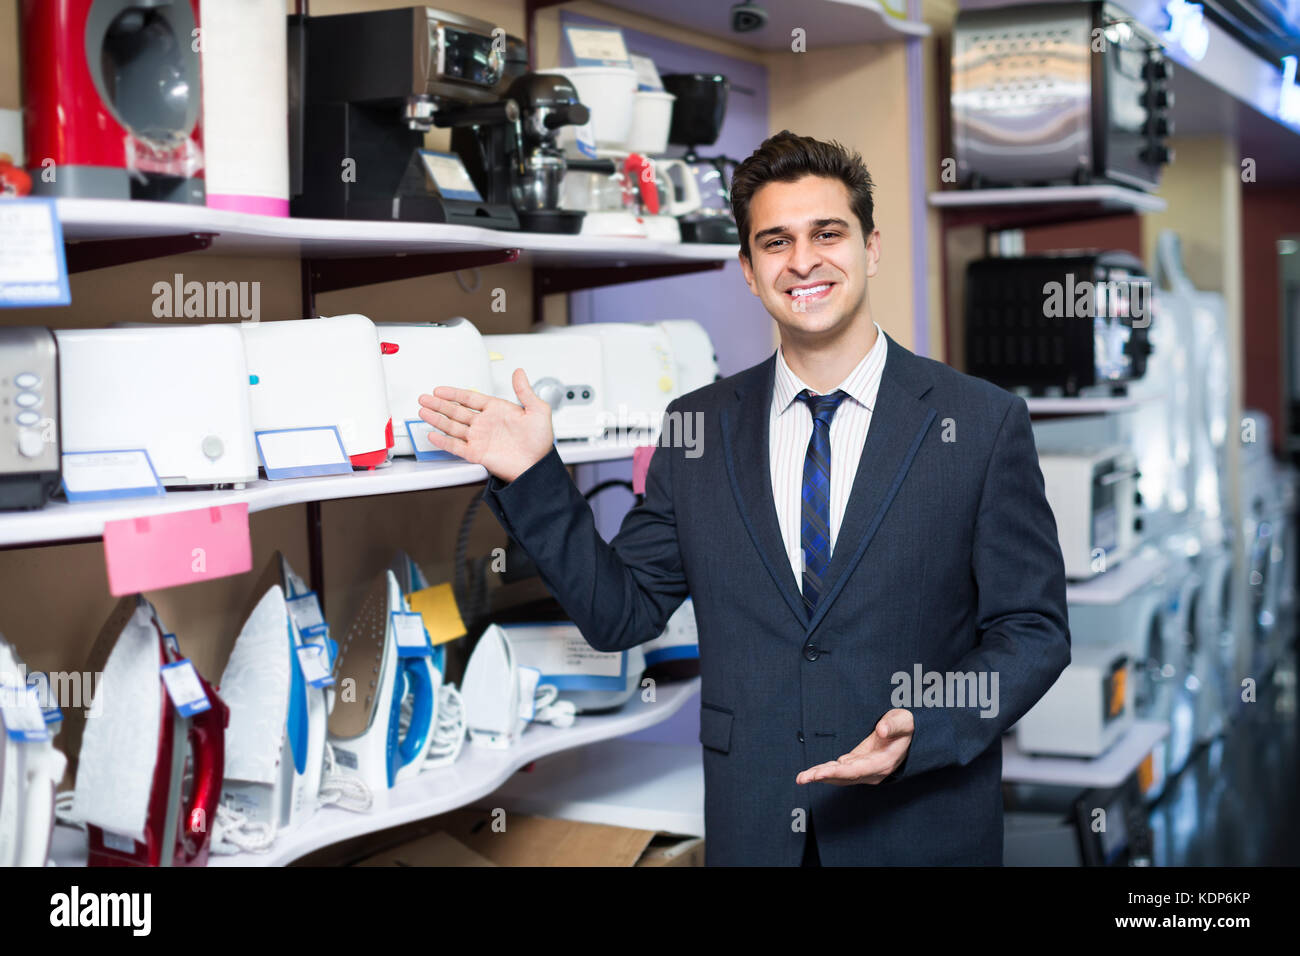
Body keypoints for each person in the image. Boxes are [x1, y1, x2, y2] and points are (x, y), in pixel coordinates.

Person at [417, 130, 1070, 866]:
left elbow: (1033, 631)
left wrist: (934, 719)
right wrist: (534, 473)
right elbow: (619, 612)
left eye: (828, 233)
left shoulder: (980, 423)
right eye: (775, 242)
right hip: (757, 828)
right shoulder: (697, 428)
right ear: (750, 273)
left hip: (920, 825)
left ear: (872, 248)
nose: (803, 261)